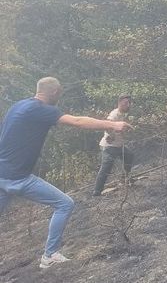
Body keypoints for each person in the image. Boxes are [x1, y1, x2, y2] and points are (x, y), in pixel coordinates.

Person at [0, 77, 131, 268]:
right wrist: (111, 124)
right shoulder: (42, 110)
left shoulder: (18, 106)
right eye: (59, 93)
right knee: (64, 204)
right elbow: (77, 121)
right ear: (55, 92)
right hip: (18, 178)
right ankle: (50, 255)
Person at [92, 94, 135, 196]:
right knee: (106, 168)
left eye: (129, 103)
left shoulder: (124, 114)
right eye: (125, 103)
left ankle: (126, 178)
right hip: (109, 147)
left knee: (129, 156)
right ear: (119, 103)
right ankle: (96, 192)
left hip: (119, 146)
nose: (127, 105)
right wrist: (111, 135)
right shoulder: (114, 114)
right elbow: (108, 124)